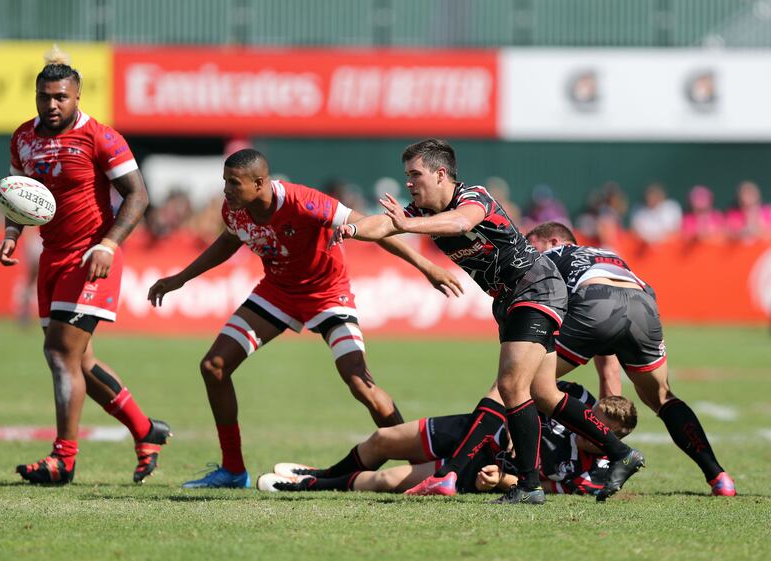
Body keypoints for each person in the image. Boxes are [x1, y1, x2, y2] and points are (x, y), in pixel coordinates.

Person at [331, 139, 644, 504]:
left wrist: (408, 225)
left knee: (510, 387)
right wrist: (351, 230)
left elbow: (460, 223)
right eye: (407, 176)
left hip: (535, 288)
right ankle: (619, 453)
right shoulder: (418, 212)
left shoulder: (473, 197)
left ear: (440, 173)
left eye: (415, 174)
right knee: (540, 392)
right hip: (512, 301)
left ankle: (529, 485)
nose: (410, 183)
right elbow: (383, 225)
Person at [147, 148, 463, 489]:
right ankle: (233, 470)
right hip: (278, 293)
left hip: (327, 294)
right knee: (213, 366)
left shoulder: (303, 202)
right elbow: (228, 241)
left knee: (359, 382)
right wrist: (180, 278)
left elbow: (372, 227)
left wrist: (426, 265)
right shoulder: (234, 209)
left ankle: (424, 470)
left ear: (260, 183)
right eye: (225, 181)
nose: (225, 190)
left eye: (233, 183)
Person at [0, 47, 171, 485]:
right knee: (81, 363)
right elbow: (21, 195)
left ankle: (63, 459)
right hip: (53, 256)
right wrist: (12, 236)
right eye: (43, 96)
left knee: (59, 353)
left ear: (77, 96)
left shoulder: (101, 137)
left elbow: (138, 195)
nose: (51, 104)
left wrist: (109, 244)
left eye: (60, 97)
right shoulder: (23, 138)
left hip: (92, 257)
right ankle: (147, 432)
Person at [526, 221, 736, 496]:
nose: (529, 252)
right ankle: (718, 477)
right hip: (642, 302)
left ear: (554, 241)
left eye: (532, 245)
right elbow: (609, 367)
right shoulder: (608, 254)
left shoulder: (551, 257)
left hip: (596, 300)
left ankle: (521, 475)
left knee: (523, 381)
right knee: (662, 397)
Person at [257, 382, 638, 497]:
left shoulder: (597, 470)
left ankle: (311, 485)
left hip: (479, 467)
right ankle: (323, 471)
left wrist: (502, 480)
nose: (590, 431)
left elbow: (557, 488)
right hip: (474, 429)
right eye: (593, 422)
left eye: (603, 433)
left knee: (386, 480)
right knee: (382, 439)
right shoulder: (575, 399)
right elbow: (523, 387)